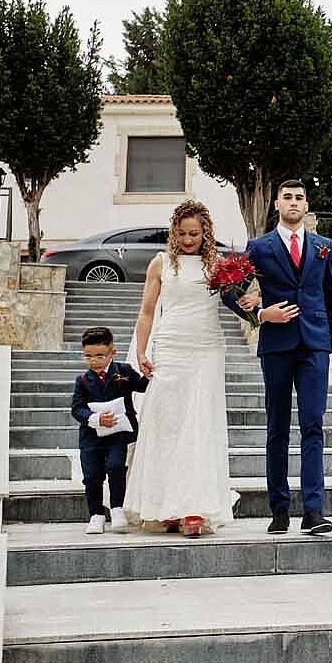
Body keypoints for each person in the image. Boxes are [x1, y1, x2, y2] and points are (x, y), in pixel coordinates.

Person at [223, 179, 332, 536]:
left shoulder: (324, 247)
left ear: (306, 204)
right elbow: (228, 288)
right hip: (277, 345)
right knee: (277, 428)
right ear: (277, 205)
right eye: (287, 197)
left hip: (315, 345)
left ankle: (314, 511)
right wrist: (261, 314)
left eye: (299, 197)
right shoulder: (259, 247)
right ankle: (279, 509)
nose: (293, 202)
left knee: (313, 425)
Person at [122, 200, 234, 536]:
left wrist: (256, 307)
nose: (188, 240)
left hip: (206, 349)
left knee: (199, 423)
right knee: (167, 423)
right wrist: (141, 351)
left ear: (206, 233)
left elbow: (239, 301)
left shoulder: (218, 265)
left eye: (195, 234)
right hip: (170, 347)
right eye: (182, 233)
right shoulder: (159, 264)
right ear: (174, 232)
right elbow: (146, 312)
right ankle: (163, 506)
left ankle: (194, 508)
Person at [70, 326, 148, 535]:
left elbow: (141, 386)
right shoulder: (83, 380)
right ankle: (96, 514)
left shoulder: (123, 371)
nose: (94, 361)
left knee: (115, 466)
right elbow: (77, 408)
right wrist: (94, 419)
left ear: (112, 352)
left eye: (99, 356)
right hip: (91, 438)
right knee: (92, 476)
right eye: (88, 356)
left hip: (118, 434)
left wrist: (149, 374)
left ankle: (117, 508)